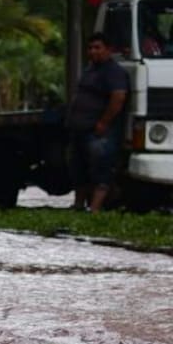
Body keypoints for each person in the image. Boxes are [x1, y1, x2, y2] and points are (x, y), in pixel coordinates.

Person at [67, 32, 129, 213]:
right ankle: (79, 205)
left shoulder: (114, 71)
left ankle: (95, 208)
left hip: (98, 131)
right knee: (78, 168)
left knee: (101, 168)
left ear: (108, 49)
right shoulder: (90, 70)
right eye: (90, 48)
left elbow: (118, 97)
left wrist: (103, 122)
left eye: (97, 48)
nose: (93, 52)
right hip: (80, 128)